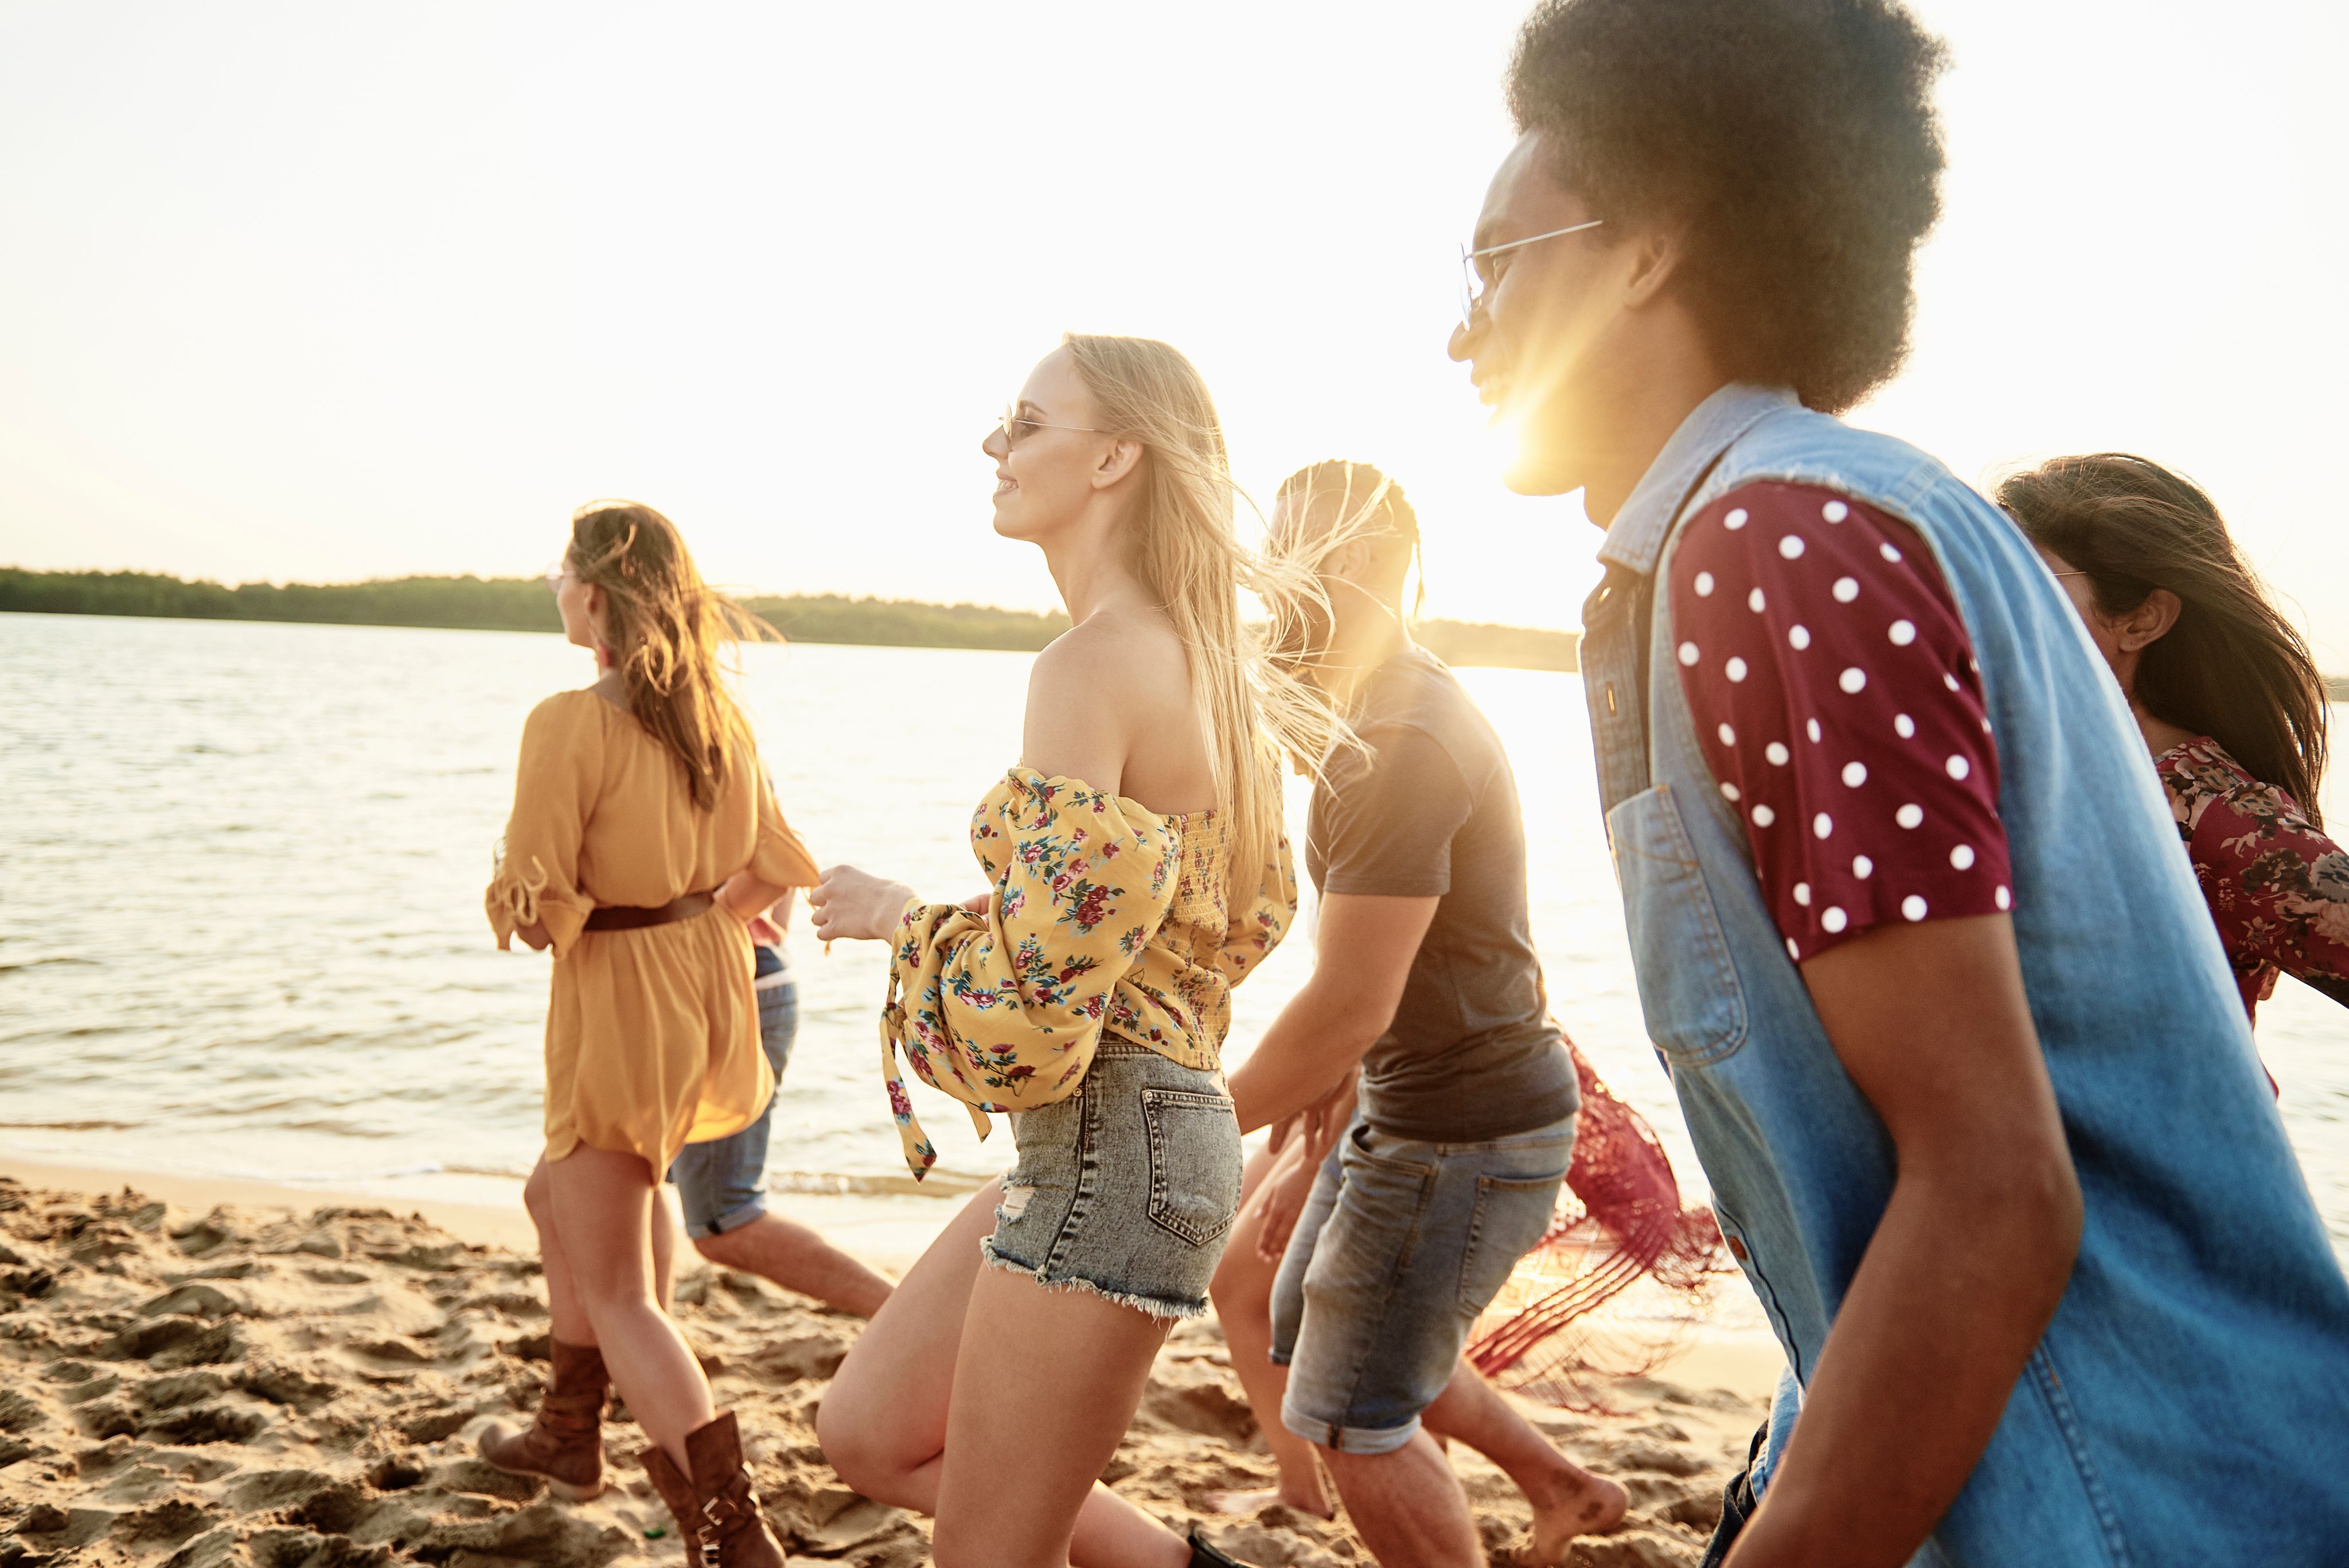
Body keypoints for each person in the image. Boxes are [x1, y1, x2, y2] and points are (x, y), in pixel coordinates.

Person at [1447, 3, 2349, 1565]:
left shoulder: (1780, 541)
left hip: (2122, 1499)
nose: (1464, 328)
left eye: (1498, 259)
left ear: (1651, 245)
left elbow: (1994, 1186)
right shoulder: (1820, 516)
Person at [802, 336, 1333, 1568]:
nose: (995, 445)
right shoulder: (1216, 674)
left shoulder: (1088, 664)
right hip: (1145, 1130)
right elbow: (1178, 937)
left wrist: (898, 919)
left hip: (1113, 1138)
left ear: (1113, 456)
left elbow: (1033, 1003)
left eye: (1024, 421)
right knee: (868, 1429)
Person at [1208, 459, 1625, 1568]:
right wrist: (1310, 1144)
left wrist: (1199, 1123)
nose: (1263, 586)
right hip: (1407, 1105)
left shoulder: (1399, 738)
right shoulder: (1370, 707)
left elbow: (1349, 1000)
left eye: (1284, 559)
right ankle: (1559, 1481)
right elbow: (1376, 997)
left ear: (1352, 568)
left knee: (1351, 1411)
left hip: (1464, 1128)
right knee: (1308, 1337)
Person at [477, 501, 819, 1568]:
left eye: (561, 569)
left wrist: (533, 892)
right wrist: (693, 918)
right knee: (565, 1194)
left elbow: (535, 913)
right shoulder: (716, 714)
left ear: (593, 593)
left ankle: (730, 1532)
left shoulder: (569, 721)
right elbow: (777, 865)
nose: (553, 586)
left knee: (622, 1288)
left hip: (619, 998)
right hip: (708, 980)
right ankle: (570, 1430)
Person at [1997, 454, 2348, 1021]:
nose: (1978, 600)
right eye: (1972, 570)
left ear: (2142, 620)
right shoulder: (2010, 771)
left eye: (2019, 577)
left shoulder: (2213, 814)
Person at [664, 883, 895, 1317]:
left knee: (723, 1222)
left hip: (725, 986)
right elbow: (780, 874)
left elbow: (774, 869)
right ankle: (634, 1348)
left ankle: (915, 1320)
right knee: (625, 1181)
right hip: (733, 977)